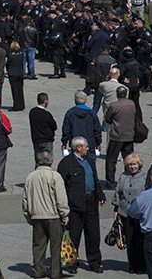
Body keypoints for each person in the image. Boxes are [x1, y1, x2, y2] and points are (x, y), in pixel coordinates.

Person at [57, 136, 106, 274]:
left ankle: (95, 263)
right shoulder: (66, 163)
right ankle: (72, 263)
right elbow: (61, 186)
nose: (88, 148)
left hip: (91, 201)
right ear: (78, 148)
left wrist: (100, 195)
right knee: (74, 235)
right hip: (75, 205)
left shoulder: (89, 160)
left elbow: (95, 179)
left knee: (93, 234)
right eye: (85, 146)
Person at [22, 150, 70, 279]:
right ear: (51, 161)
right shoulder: (55, 176)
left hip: (36, 216)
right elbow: (61, 198)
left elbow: (25, 199)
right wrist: (64, 214)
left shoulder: (30, 176)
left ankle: (38, 271)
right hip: (53, 216)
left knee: (38, 246)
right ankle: (55, 273)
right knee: (56, 246)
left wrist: (28, 215)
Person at [111, 153, 147, 274]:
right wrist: (116, 209)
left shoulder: (145, 176)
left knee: (140, 240)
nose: (132, 167)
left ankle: (141, 265)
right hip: (125, 212)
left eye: (134, 164)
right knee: (130, 239)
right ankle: (132, 265)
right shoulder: (123, 176)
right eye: (130, 164)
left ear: (139, 164)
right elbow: (117, 193)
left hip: (140, 213)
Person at [103, 86, 136, 189]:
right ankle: (129, 180)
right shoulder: (132, 104)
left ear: (117, 94)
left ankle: (110, 182)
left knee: (111, 160)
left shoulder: (114, 106)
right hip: (129, 136)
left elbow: (108, 119)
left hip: (116, 136)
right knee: (129, 160)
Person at [61, 91, 102, 161]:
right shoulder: (92, 113)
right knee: (90, 167)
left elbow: (66, 129)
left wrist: (64, 142)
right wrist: (98, 142)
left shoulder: (70, 113)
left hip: (75, 144)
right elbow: (97, 129)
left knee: (75, 166)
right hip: (89, 144)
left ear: (75, 100)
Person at [29, 93, 57, 168]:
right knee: (47, 161)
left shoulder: (32, 112)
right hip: (46, 140)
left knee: (38, 161)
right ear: (45, 102)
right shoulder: (47, 114)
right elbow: (54, 126)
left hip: (36, 139)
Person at [6, 41, 25, 111]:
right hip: (20, 73)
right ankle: (21, 105)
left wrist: (8, 70)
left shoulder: (10, 55)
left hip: (13, 73)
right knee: (20, 89)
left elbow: (7, 64)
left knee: (14, 90)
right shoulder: (21, 54)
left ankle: (16, 105)